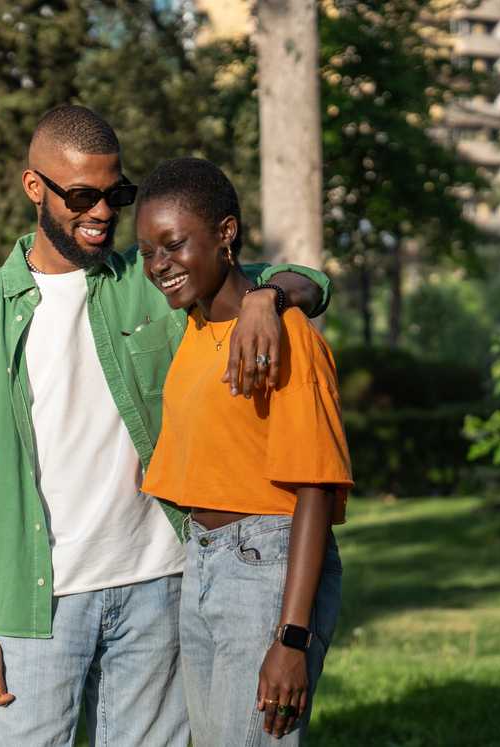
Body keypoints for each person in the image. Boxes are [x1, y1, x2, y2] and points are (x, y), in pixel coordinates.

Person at [0, 105, 333, 746]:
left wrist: (269, 296)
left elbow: (305, 281)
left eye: (114, 195)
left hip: (159, 586)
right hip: (34, 602)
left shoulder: (149, 281)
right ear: (34, 187)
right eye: (81, 196)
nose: (101, 213)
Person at [136, 157, 353, 745]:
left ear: (225, 234)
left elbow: (315, 487)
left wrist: (291, 639)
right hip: (203, 560)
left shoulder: (288, 336)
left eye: (174, 245)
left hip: (267, 567)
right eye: (148, 252)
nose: (159, 265)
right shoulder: (195, 327)